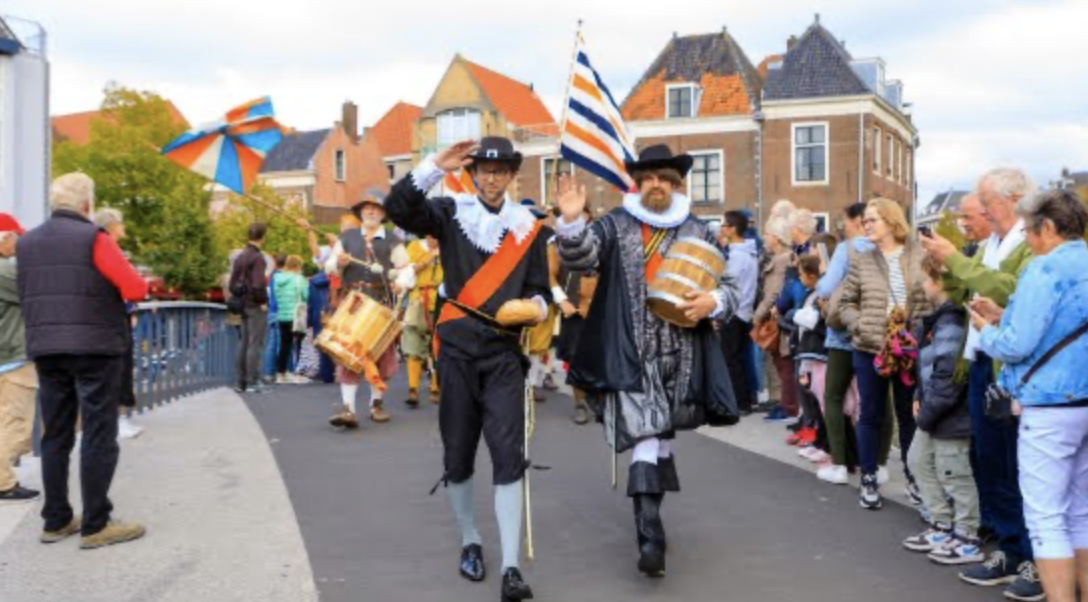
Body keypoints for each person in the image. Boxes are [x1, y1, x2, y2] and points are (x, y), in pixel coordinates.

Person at [556, 143, 740, 578]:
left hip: (683, 352)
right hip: (629, 348)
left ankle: (652, 518)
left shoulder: (698, 229)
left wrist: (714, 299)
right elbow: (581, 258)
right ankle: (649, 535)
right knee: (645, 433)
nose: (656, 185)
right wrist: (570, 221)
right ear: (637, 184)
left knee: (661, 434)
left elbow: (729, 285)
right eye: (649, 178)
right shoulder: (615, 224)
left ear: (677, 184)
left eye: (665, 179)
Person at [384, 137, 550, 602]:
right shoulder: (450, 212)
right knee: (458, 455)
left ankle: (512, 568)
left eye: (502, 170)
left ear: (513, 175)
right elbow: (398, 207)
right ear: (474, 172)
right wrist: (436, 164)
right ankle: (470, 540)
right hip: (456, 353)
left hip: (502, 358)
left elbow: (542, 290)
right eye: (485, 169)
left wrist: (533, 308)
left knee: (507, 455)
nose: (493, 177)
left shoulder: (527, 229)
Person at [921, 168, 1040, 599]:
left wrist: (956, 259)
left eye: (986, 202)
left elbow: (1009, 289)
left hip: (1008, 365)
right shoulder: (991, 244)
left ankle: (1032, 555)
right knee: (987, 460)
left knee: (1016, 464)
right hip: (980, 359)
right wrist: (947, 267)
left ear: (1011, 199)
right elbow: (968, 292)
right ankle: (1009, 548)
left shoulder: (1030, 245)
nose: (982, 211)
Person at [16, 173, 149, 548]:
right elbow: (134, 287)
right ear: (87, 205)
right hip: (94, 347)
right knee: (97, 433)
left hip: (46, 347)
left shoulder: (27, 243)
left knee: (55, 434)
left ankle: (56, 520)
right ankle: (96, 524)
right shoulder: (94, 238)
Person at [971, 189, 1088, 602]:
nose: (1027, 238)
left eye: (1030, 230)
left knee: (1046, 517)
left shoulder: (1043, 269)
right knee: (1081, 513)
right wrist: (1006, 316)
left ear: (1049, 227)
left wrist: (987, 330)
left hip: (1050, 405)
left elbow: (1016, 345)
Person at [838, 197, 931, 511]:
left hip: (909, 349)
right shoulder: (862, 260)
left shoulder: (920, 255)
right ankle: (869, 478)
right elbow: (844, 304)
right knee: (871, 415)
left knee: (909, 417)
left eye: (872, 219)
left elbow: (933, 299)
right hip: (869, 349)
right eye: (864, 221)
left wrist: (920, 330)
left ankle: (913, 477)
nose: (866, 225)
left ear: (892, 221)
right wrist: (861, 325)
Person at [901, 255, 981, 565]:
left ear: (938, 282)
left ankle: (967, 532)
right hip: (934, 408)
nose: (922, 285)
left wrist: (927, 410)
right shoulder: (938, 321)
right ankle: (941, 522)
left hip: (951, 414)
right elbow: (929, 369)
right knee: (918, 460)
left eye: (925, 279)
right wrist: (921, 397)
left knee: (954, 472)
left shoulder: (952, 322)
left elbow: (948, 376)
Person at [324, 191, 414, 428]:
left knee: (380, 355)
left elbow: (406, 269)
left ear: (383, 214)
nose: (371, 212)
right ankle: (348, 409)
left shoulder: (393, 240)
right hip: (352, 304)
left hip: (380, 303)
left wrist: (400, 283)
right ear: (361, 212)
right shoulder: (347, 237)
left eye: (376, 208)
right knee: (348, 353)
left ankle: (376, 404)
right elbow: (329, 266)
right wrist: (339, 263)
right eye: (367, 208)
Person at [817, 202, 873, 484]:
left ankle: (839, 463)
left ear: (858, 221)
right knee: (875, 401)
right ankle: (876, 465)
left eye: (846, 222)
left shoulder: (846, 249)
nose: (844, 228)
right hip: (875, 332)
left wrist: (823, 280)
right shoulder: (885, 248)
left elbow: (827, 287)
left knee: (834, 397)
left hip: (843, 334)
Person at [92, 208, 142, 440]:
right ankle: (118, 421)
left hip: (100, 322)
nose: (124, 227)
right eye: (121, 222)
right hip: (113, 322)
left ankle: (114, 420)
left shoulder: (94, 250)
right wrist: (131, 309)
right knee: (119, 370)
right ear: (112, 226)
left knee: (110, 373)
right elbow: (131, 287)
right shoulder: (110, 252)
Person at [0, 214, 38, 503]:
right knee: (16, 426)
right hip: (12, 358)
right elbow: (38, 290)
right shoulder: (5, 272)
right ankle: (2, 483)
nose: (20, 242)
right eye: (17, 236)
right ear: (4, 237)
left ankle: (5, 481)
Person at [552, 196, 598, 425]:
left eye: (580, 213)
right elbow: (549, 275)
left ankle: (597, 397)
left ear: (588, 215)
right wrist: (562, 301)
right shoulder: (556, 243)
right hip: (573, 311)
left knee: (599, 357)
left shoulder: (602, 239)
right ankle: (580, 402)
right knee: (575, 358)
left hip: (599, 311)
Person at [754, 215, 797, 422]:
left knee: (783, 362)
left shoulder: (781, 260)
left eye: (768, 234)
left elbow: (773, 293)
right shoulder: (783, 257)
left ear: (777, 238)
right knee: (781, 362)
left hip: (777, 318)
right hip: (778, 316)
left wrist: (758, 316)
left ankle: (787, 405)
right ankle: (785, 402)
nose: (764, 237)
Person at [718, 210, 759, 414]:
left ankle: (739, 402)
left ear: (733, 229)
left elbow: (728, 285)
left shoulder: (737, 256)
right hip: (745, 311)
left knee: (731, 359)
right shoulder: (749, 252)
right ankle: (745, 399)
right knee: (739, 357)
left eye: (724, 225)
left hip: (734, 313)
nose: (721, 229)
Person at [402, 234, 443, 406]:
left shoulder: (448, 247)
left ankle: (436, 387)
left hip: (441, 300)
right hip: (418, 300)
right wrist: (429, 259)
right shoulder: (413, 247)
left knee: (439, 346)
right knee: (413, 344)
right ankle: (413, 389)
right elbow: (407, 272)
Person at [229, 224, 270, 394]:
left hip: (242, 305)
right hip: (254, 305)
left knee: (243, 342)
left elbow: (232, 284)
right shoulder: (258, 258)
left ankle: (240, 382)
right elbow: (258, 284)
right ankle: (253, 381)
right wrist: (263, 301)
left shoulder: (240, 257)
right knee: (255, 343)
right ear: (263, 237)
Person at [272, 255, 308, 384]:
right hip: (296, 315)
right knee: (300, 345)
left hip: (282, 315)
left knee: (284, 345)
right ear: (297, 266)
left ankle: (281, 374)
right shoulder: (299, 279)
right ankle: (298, 374)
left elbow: (276, 296)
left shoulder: (277, 279)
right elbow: (305, 296)